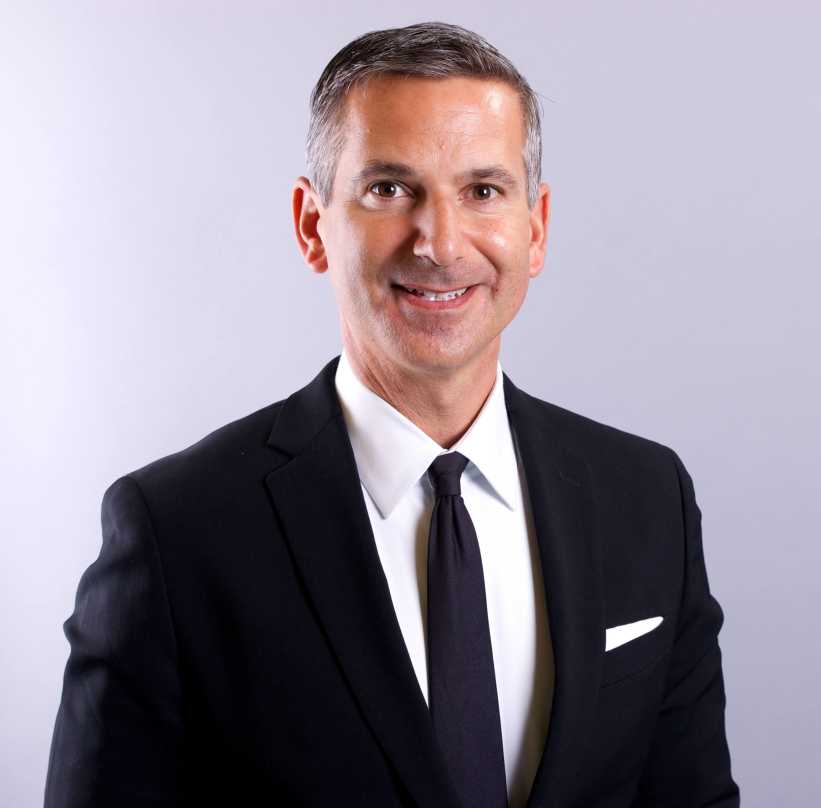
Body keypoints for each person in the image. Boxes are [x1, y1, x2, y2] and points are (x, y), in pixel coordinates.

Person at [44, 21, 740, 808]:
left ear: (535, 227)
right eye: (389, 189)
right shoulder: (176, 531)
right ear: (312, 226)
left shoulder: (645, 497)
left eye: (482, 191)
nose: (439, 243)